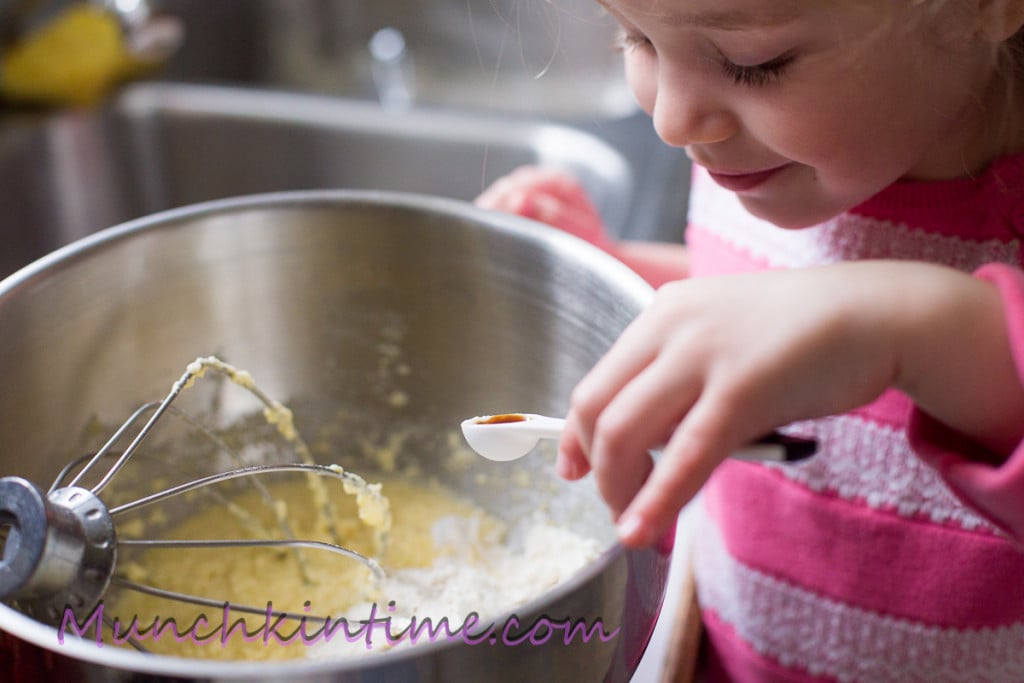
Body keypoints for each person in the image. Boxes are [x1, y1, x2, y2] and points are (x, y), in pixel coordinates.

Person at [475, 0, 1024, 680]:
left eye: (754, 64)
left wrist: (909, 326)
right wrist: (616, 268)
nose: (672, 121)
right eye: (636, 38)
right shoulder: (768, 156)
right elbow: (752, 288)